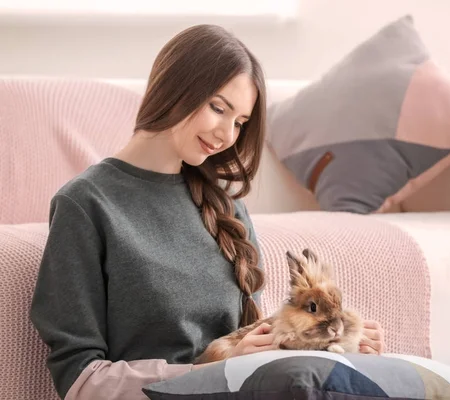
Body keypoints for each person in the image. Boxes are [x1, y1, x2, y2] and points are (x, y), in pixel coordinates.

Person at [29, 24, 385, 400]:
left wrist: (340, 340)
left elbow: (252, 346)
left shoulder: (227, 208)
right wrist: (209, 371)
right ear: (175, 86)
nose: (228, 135)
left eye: (240, 123)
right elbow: (80, 380)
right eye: (219, 108)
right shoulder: (86, 204)